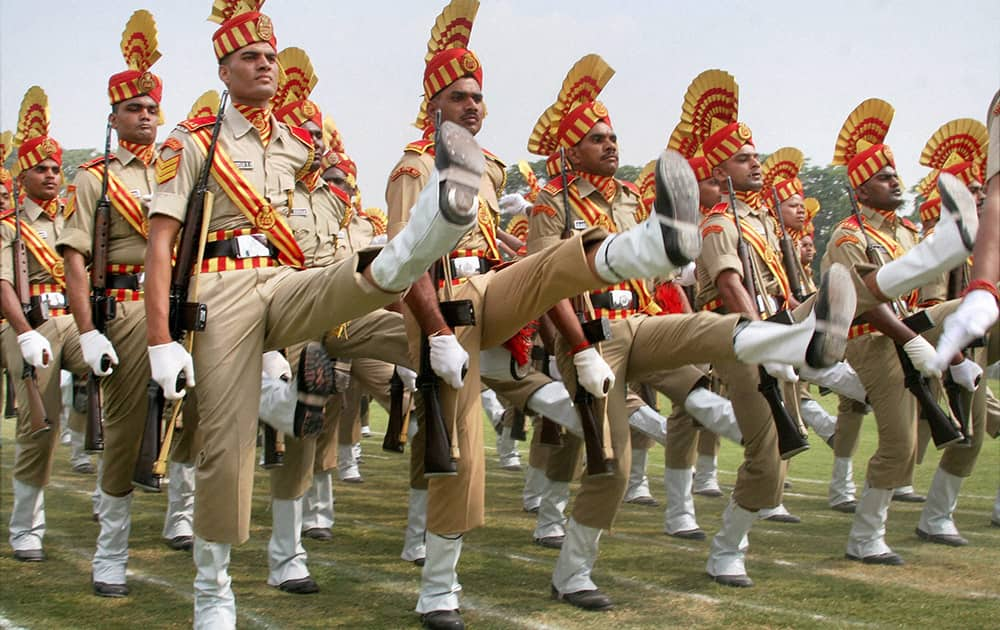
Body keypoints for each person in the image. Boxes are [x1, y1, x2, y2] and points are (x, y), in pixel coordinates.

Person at [144, 3, 495, 625]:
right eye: (250, 58)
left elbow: (324, 217)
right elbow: (162, 243)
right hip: (221, 289)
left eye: (270, 56)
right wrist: (159, 340)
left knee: (366, 272)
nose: (265, 67)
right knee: (226, 446)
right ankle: (214, 591)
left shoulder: (296, 145)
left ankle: (414, 244)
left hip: (289, 281)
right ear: (224, 71)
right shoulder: (192, 140)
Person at [823, 98, 981, 565]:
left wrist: (948, 352)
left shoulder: (909, 233)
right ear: (861, 192)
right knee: (899, 442)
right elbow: (866, 306)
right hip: (869, 339)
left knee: (924, 438)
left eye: (894, 174)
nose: (896, 182)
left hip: (909, 335)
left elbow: (925, 301)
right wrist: (912, 340)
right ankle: (865, 538)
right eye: (883, 178)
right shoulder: (848, 236)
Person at [56, 10, 165, 597]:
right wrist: (87, 328)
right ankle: (111, 552)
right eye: (134, 109)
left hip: (179, 306)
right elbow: (76, 260)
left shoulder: (181, 169)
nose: (145, 116)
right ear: (114, 117)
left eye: (151, 108)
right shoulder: (94, 177)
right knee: (123, 432)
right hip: (122, 307)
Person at [1, 86, 88, 563]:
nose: (52, 175)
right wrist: (25, 331)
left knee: (121, 372)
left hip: (70, 321)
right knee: (40, 420)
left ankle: (111, 486)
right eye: (42, 168)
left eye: (56, 168)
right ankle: (27, 525)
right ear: (23, 175)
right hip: (24, 324)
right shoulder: (8, 223)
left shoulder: (72, 220)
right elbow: (3, 285)